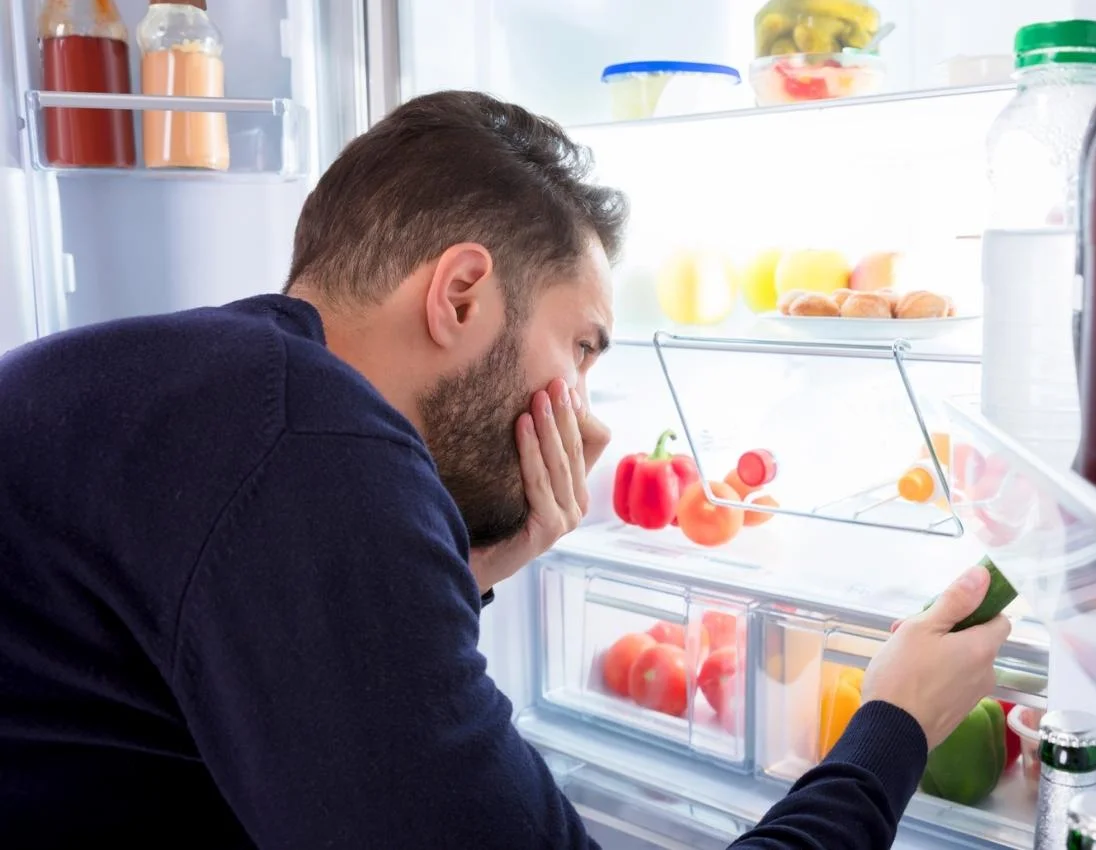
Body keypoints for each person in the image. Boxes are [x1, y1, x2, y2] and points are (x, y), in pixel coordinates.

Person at [0, 91, 1011, 849]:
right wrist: (891, 726)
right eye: (580, 348)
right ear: (461, 293)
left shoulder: (219, 392)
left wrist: (484, 555)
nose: (583, 413)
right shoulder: (313, 446)